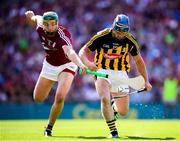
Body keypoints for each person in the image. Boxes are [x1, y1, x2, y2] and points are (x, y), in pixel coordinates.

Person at [79, 14, 152, 138]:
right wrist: (87, 64)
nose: (120, 34)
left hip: (121, 73)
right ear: (114, 26)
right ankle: (113, 131)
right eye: (118, 30)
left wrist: (146, 81)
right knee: (104, 98)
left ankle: (113, 107)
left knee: (123, 111)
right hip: (101, 70)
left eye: (124, 31)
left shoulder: (130, 40)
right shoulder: (102, 36)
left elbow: (139, 61)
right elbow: (83, 51)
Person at [25, 10, 88, 137]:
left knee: (60, 97)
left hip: (67, 65)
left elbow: (70, 52)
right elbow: (36, 18)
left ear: (57, 23)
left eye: (53, 24)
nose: (50, 27)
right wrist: (30, 16)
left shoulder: (62, 35)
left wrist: (81, 65)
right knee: (38, 98)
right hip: (49, 65)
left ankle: (49, 128)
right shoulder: (40, 27)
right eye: (47, 24)